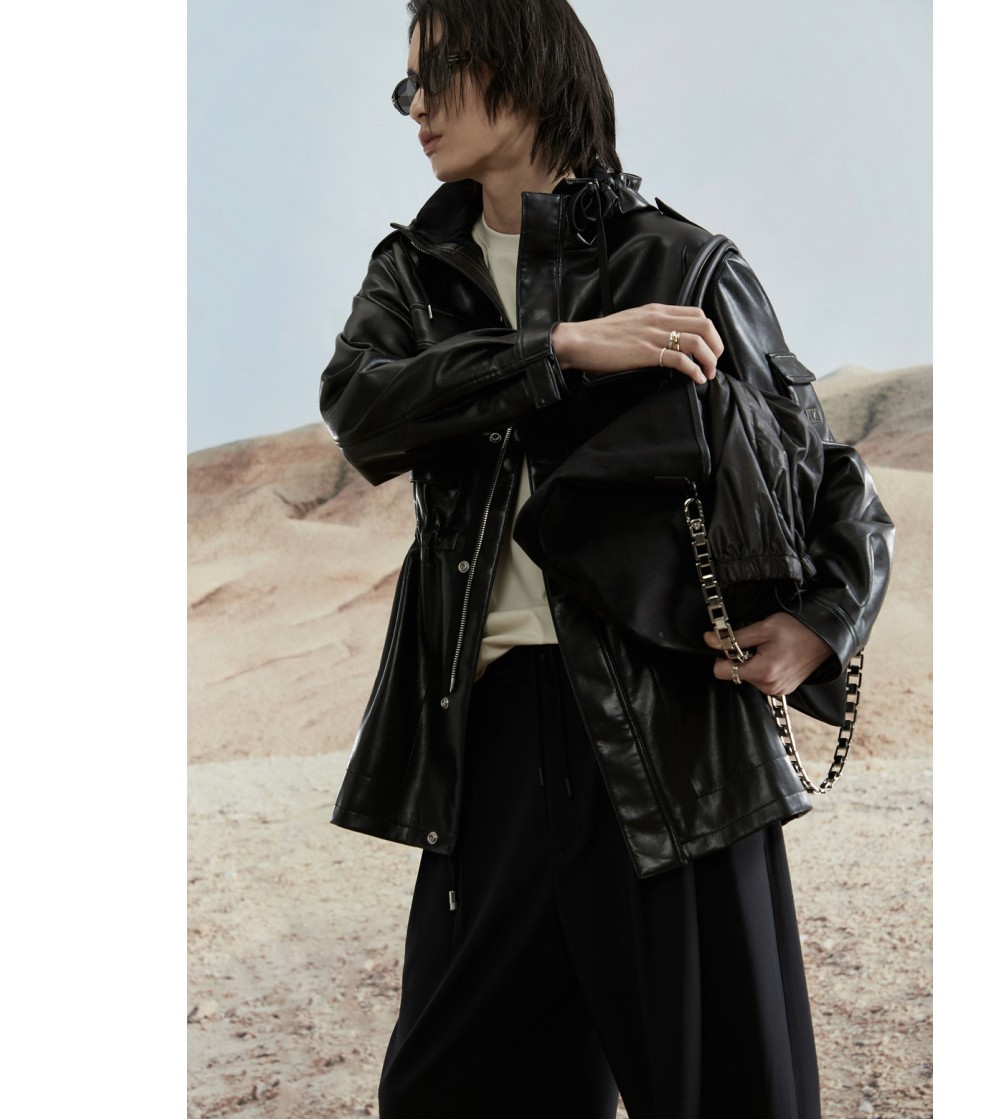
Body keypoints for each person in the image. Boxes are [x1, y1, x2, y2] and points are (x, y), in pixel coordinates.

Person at [319, 2, 892, 1116]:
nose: (415, 106)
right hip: (487, 744)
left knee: (726, 1093)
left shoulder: (678, 262)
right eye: (404, 86)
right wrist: (559, 350)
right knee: (446, 1092)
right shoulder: (414, 277)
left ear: (525, 65)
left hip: (671, 745)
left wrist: (823, 621)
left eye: (435, 74)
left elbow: (820, 468)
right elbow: (362, 411)